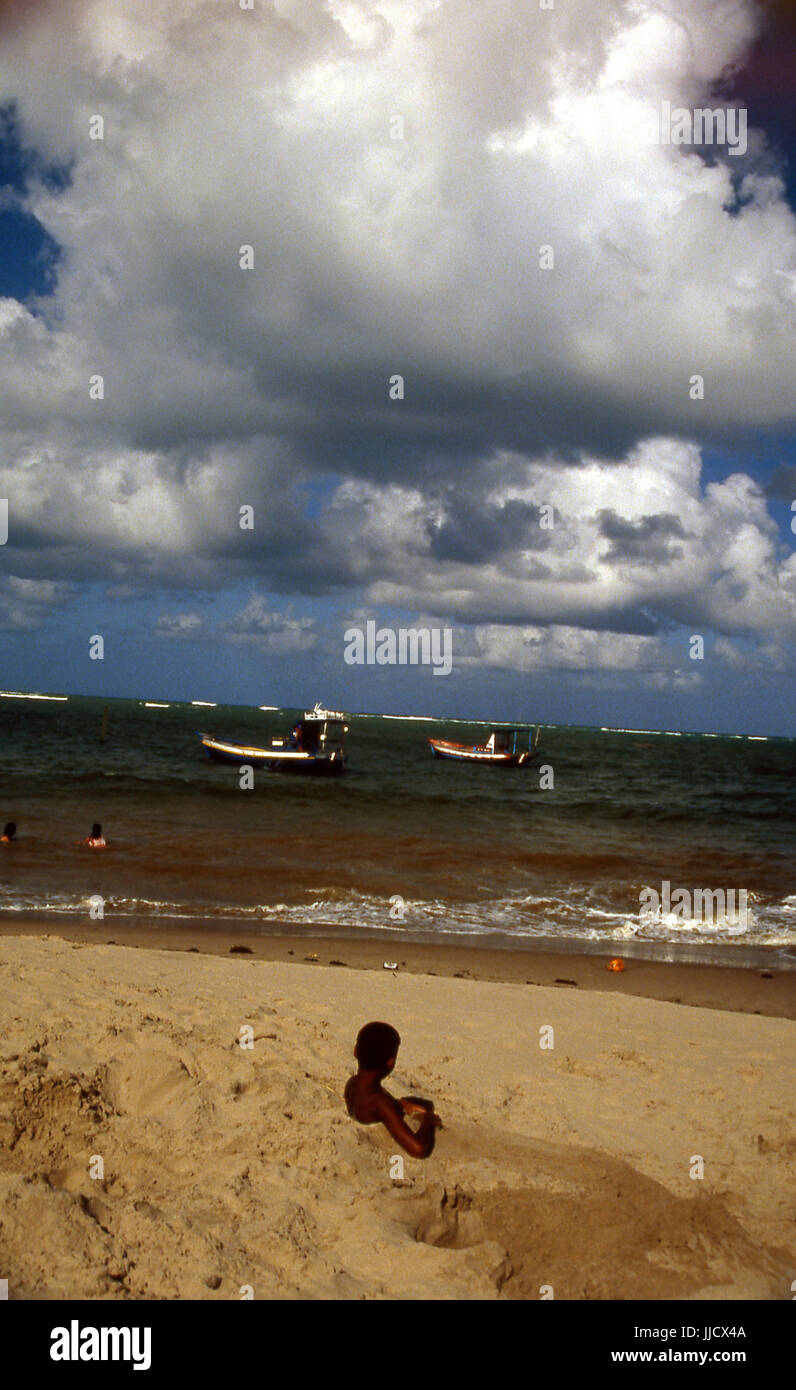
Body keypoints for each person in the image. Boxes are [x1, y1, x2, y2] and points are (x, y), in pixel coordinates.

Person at [344, 1021, 442, 1159]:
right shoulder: (381, 1103)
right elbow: (419, 1149)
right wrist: (428, 1120)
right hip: (381, 1131)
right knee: (428, 1108)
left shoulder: (352, 1083)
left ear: (355, 1051)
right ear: (390, 1062)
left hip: (369, 1115)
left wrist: (399, 1104)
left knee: (417, 1103)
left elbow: (372, 1106)